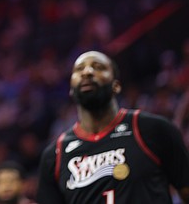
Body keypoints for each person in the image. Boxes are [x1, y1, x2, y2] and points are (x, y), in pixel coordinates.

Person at [36, 50, 189, 203]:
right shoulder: (55, 155)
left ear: (116, 86)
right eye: (79, 69)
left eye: (98, 67)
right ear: (71, 90)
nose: (87, 72)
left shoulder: (154, 129)